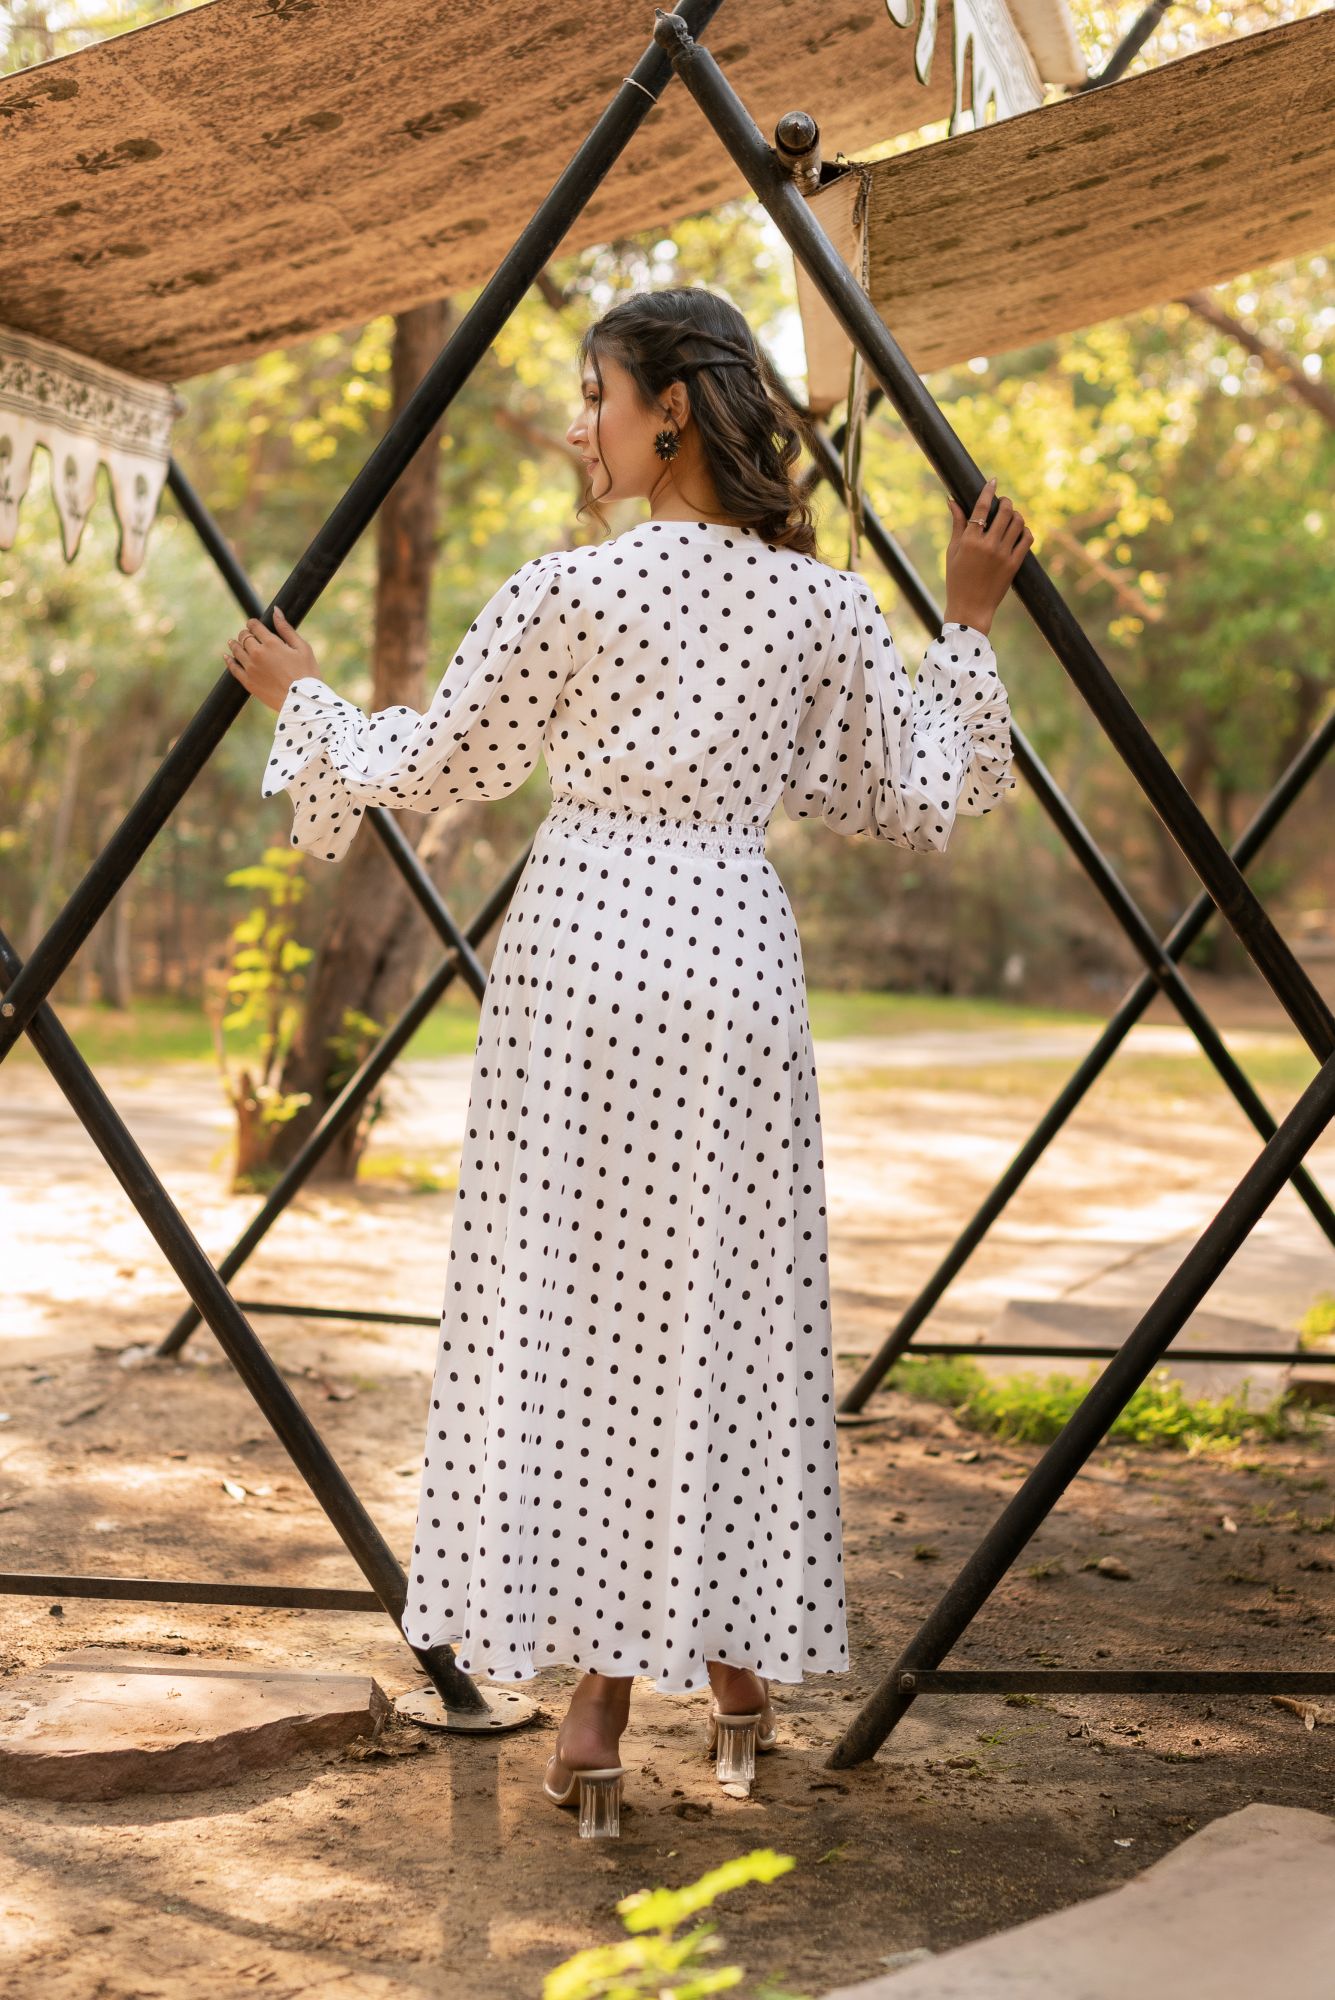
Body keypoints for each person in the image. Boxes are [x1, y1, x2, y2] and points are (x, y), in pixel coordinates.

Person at [223, 287, 1028, 1839]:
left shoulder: (566, 593)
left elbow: (437, 764)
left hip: (581, 965)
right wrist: (971, 622)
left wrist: (302, 698)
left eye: (595, 394)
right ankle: (731, 1663)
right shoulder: (824, 609)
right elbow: (919, 793)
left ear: (671, 412)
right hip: (727, 965)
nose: (577, 425)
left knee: (579, 1320)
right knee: (720, 1309)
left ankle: (599, 1703)